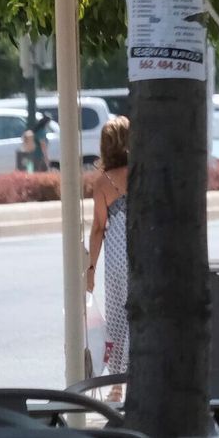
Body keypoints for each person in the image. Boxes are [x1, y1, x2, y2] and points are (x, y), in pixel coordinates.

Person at [86, 116, 131, 387]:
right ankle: (136, 376)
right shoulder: (142, 171)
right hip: (141, 252)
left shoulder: (102, 183)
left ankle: (115, 385)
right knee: (139, 316)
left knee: (115, 316)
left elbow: (98, 228)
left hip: (115, 256)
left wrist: (90, 269)